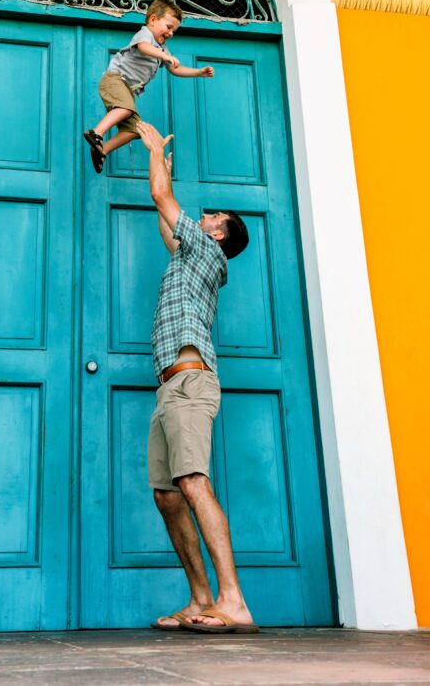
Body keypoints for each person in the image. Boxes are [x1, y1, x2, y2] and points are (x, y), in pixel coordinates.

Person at [135, 121, 259, 635]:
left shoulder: (207, 253)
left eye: (212, 216)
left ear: (218, 234)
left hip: (190, 383)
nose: (203, 215)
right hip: (169, 388)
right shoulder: (188, 255)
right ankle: (200, 598)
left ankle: (233, 601)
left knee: (192, 481)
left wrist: (150, 150)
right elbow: (164, 213)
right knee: (167, 493)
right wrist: (161, 157)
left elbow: (164, 198)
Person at [82, 0, 214, 173]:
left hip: (126, 89)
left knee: (136, 130)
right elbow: (143, 47)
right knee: (126, 109)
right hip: (115, 80)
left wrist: (198, 72)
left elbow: (176, 69)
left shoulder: (162, 47)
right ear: (152, 20)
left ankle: (102, 150)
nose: (171, 33)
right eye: (168, 27)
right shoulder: (145, 35)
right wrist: (165, 57)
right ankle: (96, 133)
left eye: (174, 30)